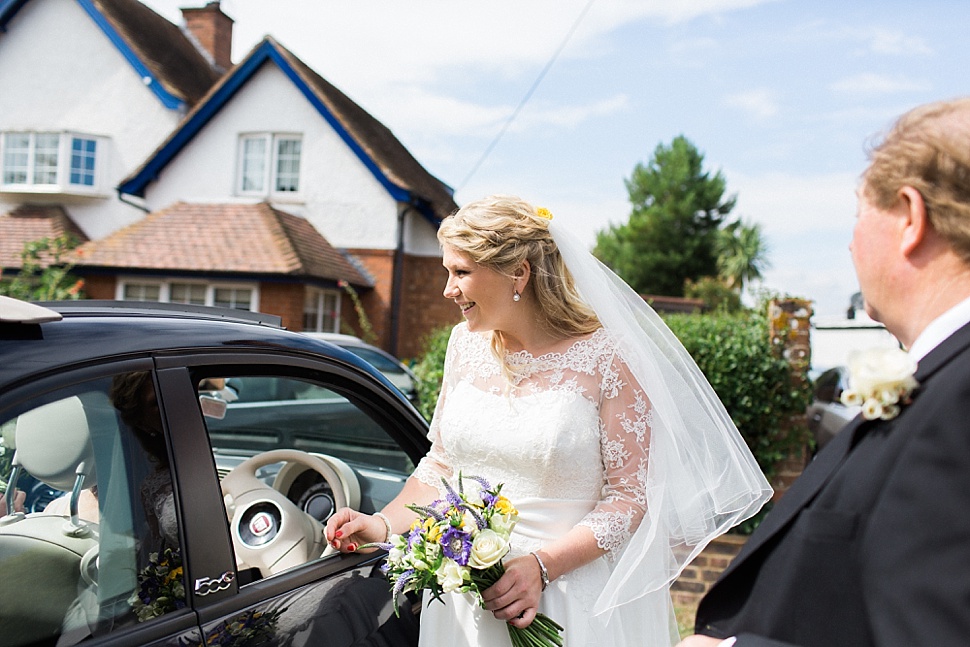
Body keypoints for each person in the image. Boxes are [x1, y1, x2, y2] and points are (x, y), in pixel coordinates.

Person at [326, 195, 771, 646]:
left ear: (518, 273)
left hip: (566, 599)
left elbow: (629, 498)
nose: (448, 289)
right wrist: (381, 525)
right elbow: (441, 465)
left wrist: (541, 566)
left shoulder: (609, 356)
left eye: (460, 272)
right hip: (463, 606)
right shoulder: (463, 345)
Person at [679, 97, 970, 647]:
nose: (850, 242)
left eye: (859, 215)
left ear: (910, 218)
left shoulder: (960, 402)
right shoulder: (944, 377)